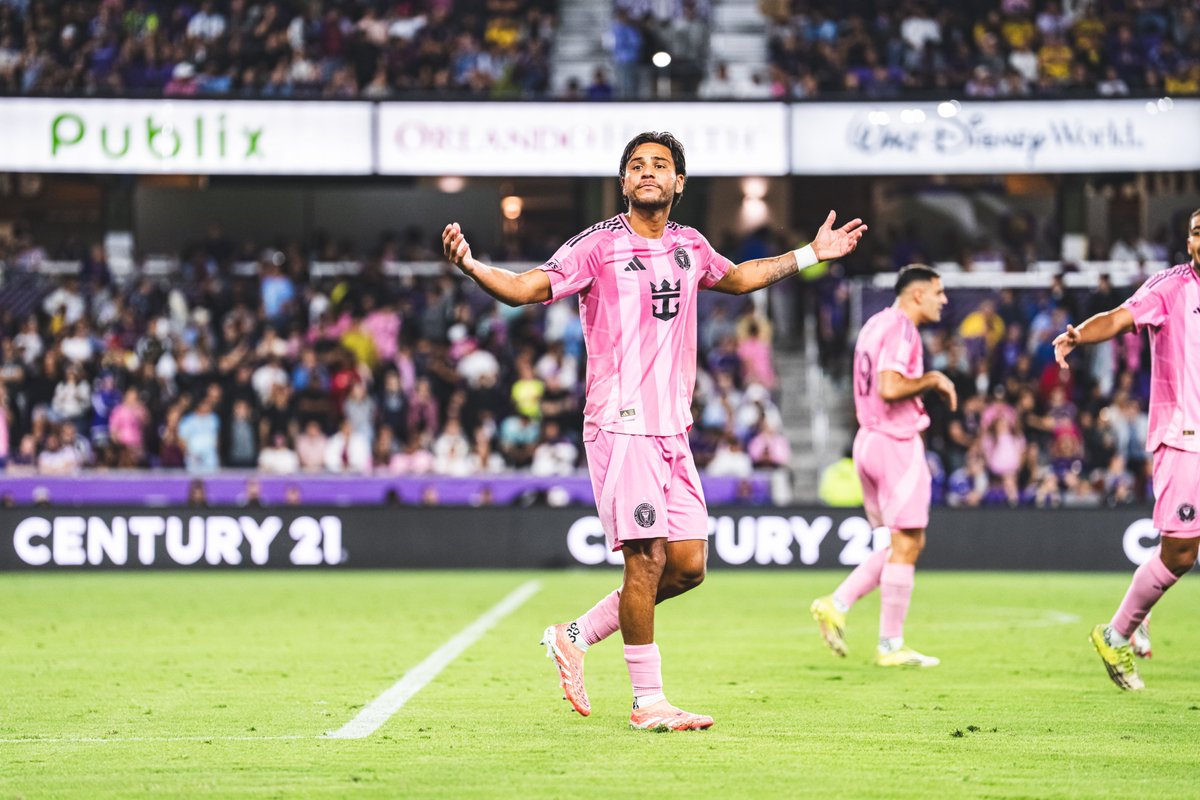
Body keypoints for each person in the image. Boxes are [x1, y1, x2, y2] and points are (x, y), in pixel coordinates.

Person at [442, 131, 866, 731]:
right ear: (623, 182)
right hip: (621, 424)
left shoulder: (690, 245)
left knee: (687, 566)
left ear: (678, 182)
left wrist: (810, 253)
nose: (647, 172)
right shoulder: (598, 245)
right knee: (645, 560)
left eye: (660, 165)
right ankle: (648, 702)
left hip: (673, 430)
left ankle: (573, 636)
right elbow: (526, 288)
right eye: (636, 165)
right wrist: (471, 265)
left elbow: (738, 278)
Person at [1052, 208, 1200, 691]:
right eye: (1199, 233)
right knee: (1180, 553)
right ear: (1189, 242)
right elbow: (1120, 317)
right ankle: (1116, 633)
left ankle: (1138, 614)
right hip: (1184, 436)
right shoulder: (1172, 287)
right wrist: (1080, 334)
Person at [810, 265, 955, 668]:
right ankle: (887, 643)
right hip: (895, 441)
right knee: (908, 542)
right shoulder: (903, 329)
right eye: (939, 292)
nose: (944, 300)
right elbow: (890, 387)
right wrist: (933, 379)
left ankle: (839, 605)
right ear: (917, 295)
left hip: (868, 439)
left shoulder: (874, 324)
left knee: (903, 543)